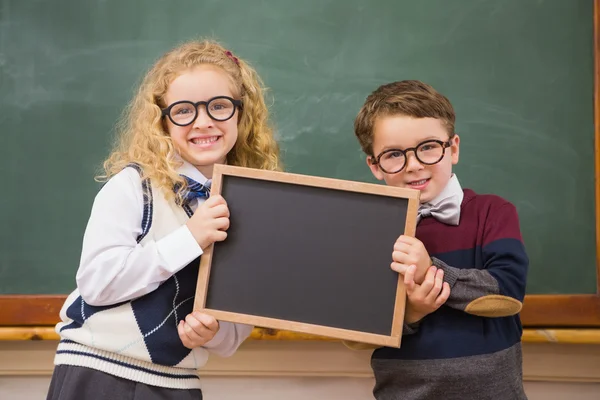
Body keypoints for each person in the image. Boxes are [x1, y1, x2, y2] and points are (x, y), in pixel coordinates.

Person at [47, 39, 281, 400]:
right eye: (184, 110)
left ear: (241, 113)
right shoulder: (133, 186)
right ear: (163, 120)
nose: (203, 122)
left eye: (219, 106)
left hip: (177, 382)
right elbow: (97, 282)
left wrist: (213, 331)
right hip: (99, 372)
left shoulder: (252, 207)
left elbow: (233, 335)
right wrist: (191, 237)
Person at [351, 80, 529, 400]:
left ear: (454, 148)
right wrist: (411, 314)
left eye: (429, 146)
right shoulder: (368, 232)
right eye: (394, 154)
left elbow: (508, 291)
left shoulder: (494, 212)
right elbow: (355, 331)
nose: (415, 164)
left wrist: (430, 270)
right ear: (375, 166)